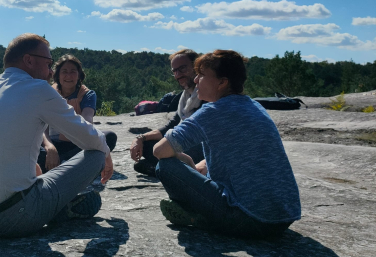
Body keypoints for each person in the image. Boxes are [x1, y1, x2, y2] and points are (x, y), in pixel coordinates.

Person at [0, 34, 113, 237]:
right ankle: (58, 209)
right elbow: (89, 137)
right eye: (48, 63)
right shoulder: (38, 89)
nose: (51, 71)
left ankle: (54, 206)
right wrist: (106, 154)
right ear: (28, 60)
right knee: (97, 153)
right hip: (15, 218)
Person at [153, 50, 301, 238]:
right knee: (193, 166)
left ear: (222, 82)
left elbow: (160, 150)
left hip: (249, 219)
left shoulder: (213, 111)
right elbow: (234, 151)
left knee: (165, 166)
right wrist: (198, 167)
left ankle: (200, 218)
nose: (196, 80)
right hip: (282, 219)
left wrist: (184, 157)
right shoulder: (253, 106)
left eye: (202, 75)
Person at [130, 49, 205, 177]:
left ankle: (168, 170)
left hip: (202, 149)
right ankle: (169, 169)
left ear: (196, 67)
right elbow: (171, 126)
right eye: (174, 71)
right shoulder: (186, 98)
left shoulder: (207, 95)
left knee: (159, 150)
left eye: (182, 68)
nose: (178, 75)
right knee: (148, 146)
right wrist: (140, 138)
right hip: (185, 145)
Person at [38, 54, 117, 173]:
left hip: (78, 143)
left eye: (73, 71)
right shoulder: (49, 93)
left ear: (79, 75)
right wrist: (50, 147)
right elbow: (42, 126)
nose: (68, 76)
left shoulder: (88, 95)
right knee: (34, 150)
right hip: (53, 143)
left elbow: (86, 122)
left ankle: (62, 164)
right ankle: (73, 165)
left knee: (109, 137)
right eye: (64, 71)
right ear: (57, 75)